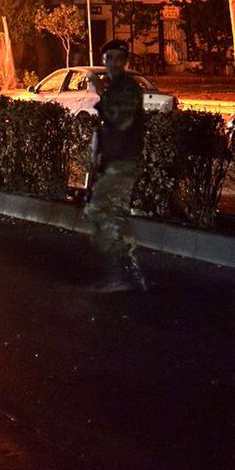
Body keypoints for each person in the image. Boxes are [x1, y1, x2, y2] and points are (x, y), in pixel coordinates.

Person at [84, 39, 147, 292]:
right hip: (114, 161)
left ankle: (118, 277)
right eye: (109, 58)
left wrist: (100, 93)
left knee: (99, 212)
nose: (113, 63)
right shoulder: (116, 88)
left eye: (118, 59)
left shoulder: (128, 89)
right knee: (116, 217)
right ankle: (131, 275)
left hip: (124, 162)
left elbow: (120, 120)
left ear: (125, 62)